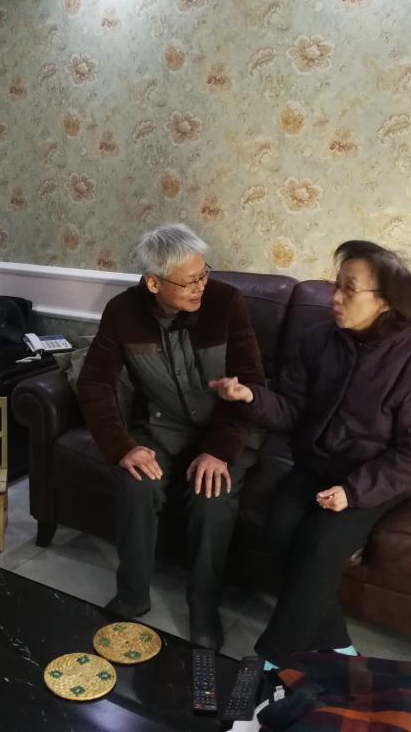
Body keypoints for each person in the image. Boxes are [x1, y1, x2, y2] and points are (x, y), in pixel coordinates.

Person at [211, 240, 411, 667]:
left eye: (349, 289)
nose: (334, 298)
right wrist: (251, 398)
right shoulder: (318, 339)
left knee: (319, 543)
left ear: (386, 302)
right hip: (316, 466)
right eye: (335, 285)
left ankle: (272, 658)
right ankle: (336, 641)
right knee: (279, 528)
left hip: (375, 477)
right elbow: (291, 409)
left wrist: (352, 492)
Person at [77, 224, 265, 650]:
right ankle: (132, 596)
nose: (201, 286)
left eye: (204, 274)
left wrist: (219, 451)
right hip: (162, 427)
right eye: (189, 280)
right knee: (135, 482)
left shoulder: (227, 303)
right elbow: (94, 384)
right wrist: (122, 447)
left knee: (212, 494)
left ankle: (204, 607)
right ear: (153, 283)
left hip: (226, 428)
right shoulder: (123, 312)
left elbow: (251, 382)